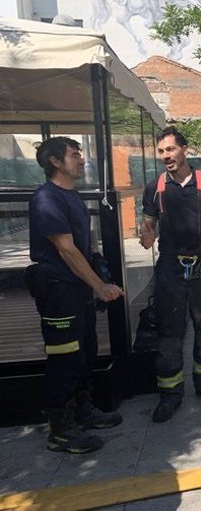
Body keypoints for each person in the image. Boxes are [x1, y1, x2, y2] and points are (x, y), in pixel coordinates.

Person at [28, 137, 125, 454]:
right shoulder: (47, 198)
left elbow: (82, 247)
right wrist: (99, 286)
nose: (82, 160)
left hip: (76, 289)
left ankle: (83, 412)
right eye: (74, 155)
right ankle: (61, 430)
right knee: (65, 357)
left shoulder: (71, 196)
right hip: (59, 290)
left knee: (85, 352)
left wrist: (97, 271)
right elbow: (66, 249)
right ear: (55, 162)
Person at [140, 126, 201, 423]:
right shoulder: (154, 187)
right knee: (170, 332)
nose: (165, 156)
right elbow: (147, 223)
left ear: (184, 150)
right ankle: (170, 394)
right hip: (169, 264)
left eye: (170, 149)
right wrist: (146, 235)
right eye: (161, 152)